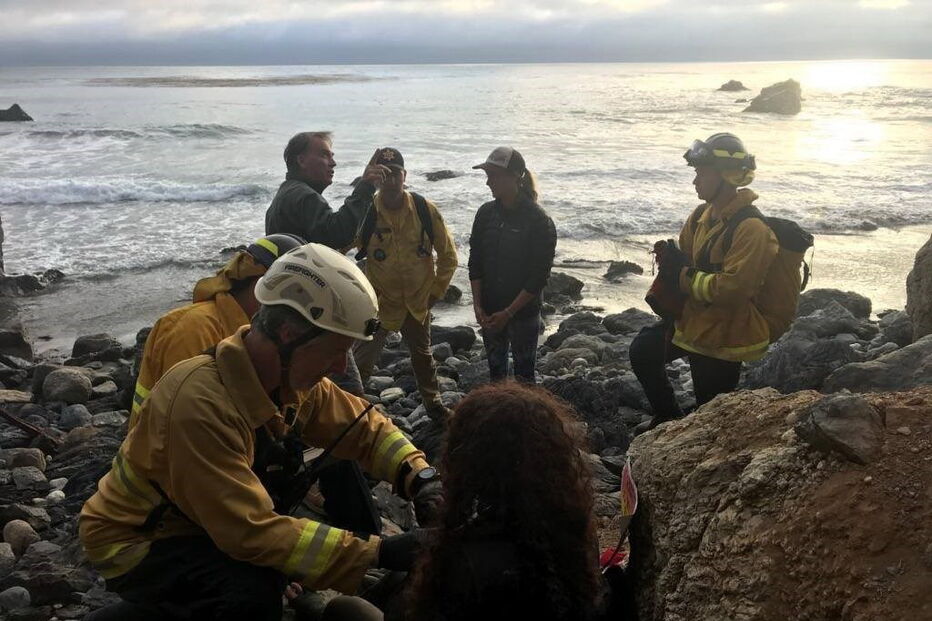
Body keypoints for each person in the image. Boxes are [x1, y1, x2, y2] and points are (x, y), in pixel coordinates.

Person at [80, 244, 443, 621]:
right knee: (250, 591)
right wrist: (379, 554)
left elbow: (363, 427)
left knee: (278, 559)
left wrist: (421, 477)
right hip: (138, 541)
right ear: (287, 333)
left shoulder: (290, 382)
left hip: (203, 518)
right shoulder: (199, 405)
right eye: (334, 350)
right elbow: (249, 532)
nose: (339, 366)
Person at [630, 132, 778, 433]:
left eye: (701, 174)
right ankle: (668, 418)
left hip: (725, 333)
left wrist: (683, 277)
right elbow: (685, 257)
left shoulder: (752, 228)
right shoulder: (701, 215)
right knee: (643, 350)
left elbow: (735, 289)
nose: (695, 181)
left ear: (725, 177)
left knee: (712, 416)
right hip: (695, 320)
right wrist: (671, 265)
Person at [128, 233, 305, 430]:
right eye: (292, 299)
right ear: (261, 285)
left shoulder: (261, 336)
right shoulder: (192, 328)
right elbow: (192, 421)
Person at [265, 131, 389, 396]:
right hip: (311, 317)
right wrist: (366, 187)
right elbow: (336, 232)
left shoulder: (287, 194)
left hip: (291, 309)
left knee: (300, 390)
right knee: (348, 392)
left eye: (332, 156)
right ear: (300, 160)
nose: (332, 163)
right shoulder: (304, 196)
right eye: (323, 154)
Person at [352, 148, 458, 421]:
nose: (390, 180)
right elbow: (339, 245)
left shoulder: (424, 209)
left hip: (416, 301)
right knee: (360, 360)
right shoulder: (366, 212)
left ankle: (434, 405)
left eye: (395, 173)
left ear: (404, 175)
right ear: (376, 178)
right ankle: (349, 408)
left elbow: (448, 255)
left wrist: (434, 294)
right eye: (384, 174)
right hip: (379, 301)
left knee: (423, 357)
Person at [467, 147, 556, 384]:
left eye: (494, 176)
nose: (488, 183)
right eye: (488, 175)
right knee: (496, 376)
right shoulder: (485, 214)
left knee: (525, 377)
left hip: (523, 315)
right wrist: (477, 306)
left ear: (515, 177)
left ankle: (525, 420)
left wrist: (509, 313)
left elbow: (539, 277)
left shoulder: (539, 220)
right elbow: (475, 261)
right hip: (489, 311)